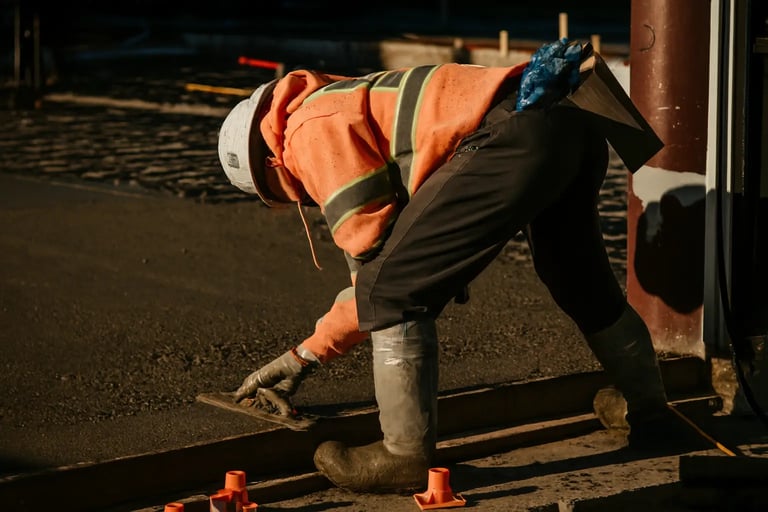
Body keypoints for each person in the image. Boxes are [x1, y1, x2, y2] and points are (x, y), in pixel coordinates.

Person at [216, 39, 694, 493]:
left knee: (392, 293)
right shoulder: (346, 99)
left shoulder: (306, 130)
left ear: (271, 165)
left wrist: (304, 356)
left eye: (279, 196)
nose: (295, 199)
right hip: (570, 118)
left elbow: (376, 277)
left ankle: (403, 456)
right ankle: (649, 411)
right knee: (577, 276)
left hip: (514, 132)